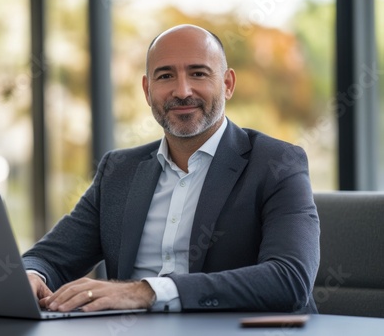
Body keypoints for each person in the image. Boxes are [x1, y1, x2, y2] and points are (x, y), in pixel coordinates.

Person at [22, 24, 320, 314]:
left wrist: (145, 292)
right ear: (147, 89)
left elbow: (289, 280)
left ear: (227, 84)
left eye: (198, 73)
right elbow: (49, 258)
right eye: (165, 76)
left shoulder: (277, 163)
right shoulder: (118, 170)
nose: (182, 90)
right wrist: (32, 275)